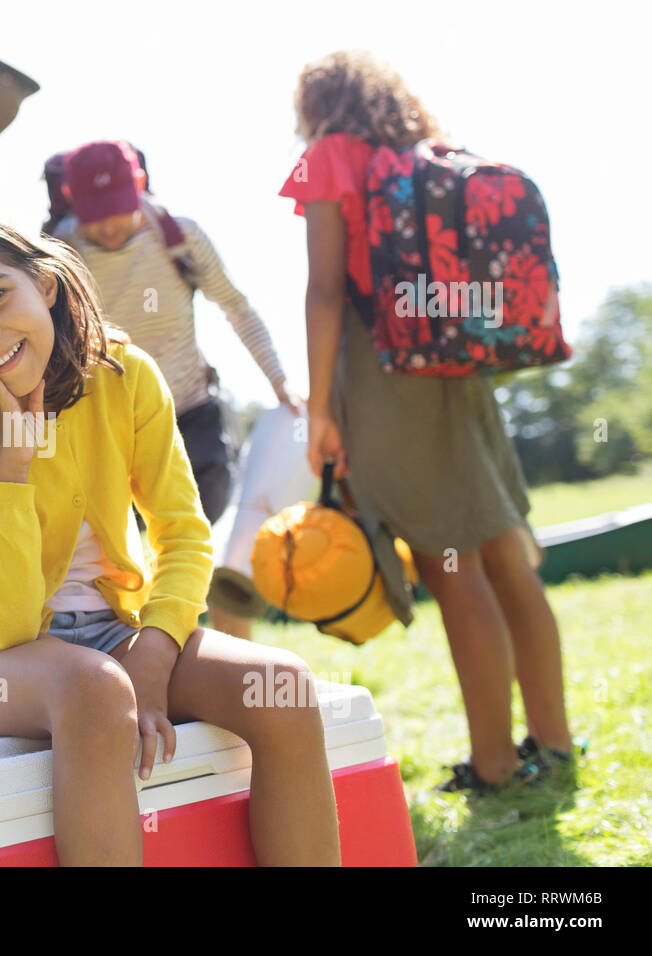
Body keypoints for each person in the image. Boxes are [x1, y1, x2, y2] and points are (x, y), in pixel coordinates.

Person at [0, 193, 340, 865]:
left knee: (285, 685)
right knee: (93, 689)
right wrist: (14, 461)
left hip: (117, 634)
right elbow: (2, 621)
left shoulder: (125, 377)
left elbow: (183, 532)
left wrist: (152, 652)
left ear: (47, 283)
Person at [279, 51, 576, 793]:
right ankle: (555, 743)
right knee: (505, 555)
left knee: (452, 566)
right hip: (459, 364)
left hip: (385, 374)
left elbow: (323, 291)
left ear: (315, 104)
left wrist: (320, 409)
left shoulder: (329, 158)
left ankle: (497, 765)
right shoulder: (425, 157)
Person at [53, 140, 302, 640]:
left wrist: (280, 381)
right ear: (70, 199)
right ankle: (141, 657)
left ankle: (234, 663)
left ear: (140, 187)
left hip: (189, 410)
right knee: (116, 558)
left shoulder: (178, 237)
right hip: (108, 426)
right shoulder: (60, 254)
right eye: (94, 214)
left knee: (204, 540)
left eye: (118, 211)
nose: (107, 226)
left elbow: (236, 306)